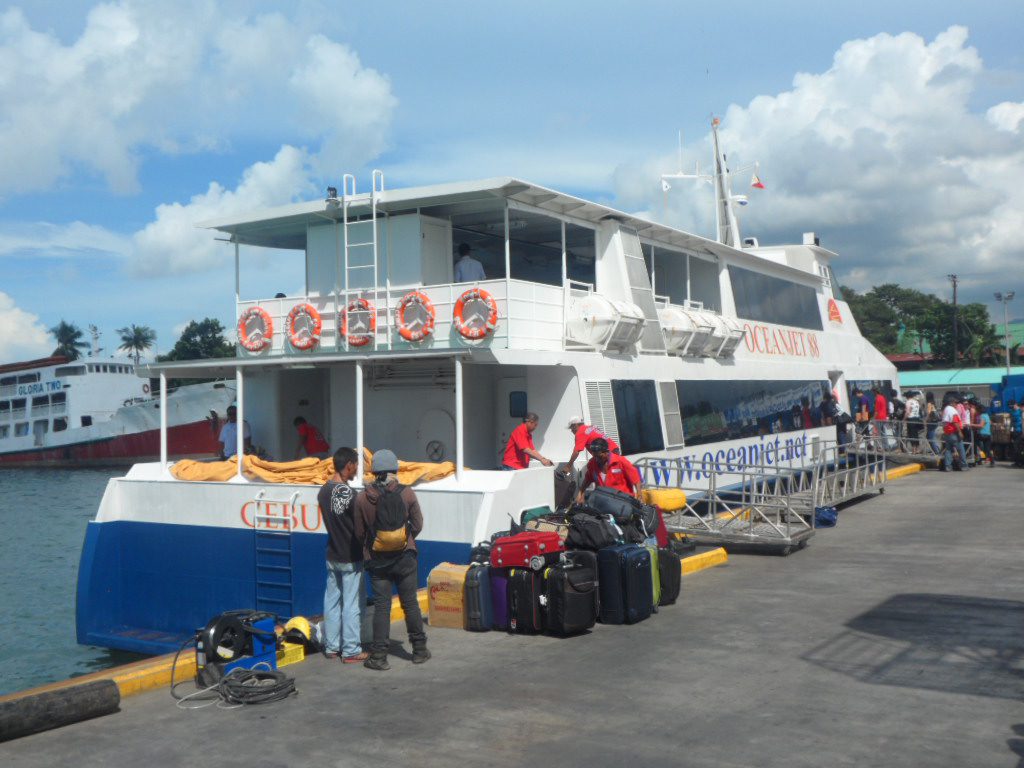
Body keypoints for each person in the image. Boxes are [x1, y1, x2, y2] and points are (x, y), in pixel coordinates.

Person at [354, 449, 428, 670]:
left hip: (377, 561)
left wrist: (373, 545)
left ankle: (379, 656)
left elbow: (359, 533)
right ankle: (419, 651)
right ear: (395, 469)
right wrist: (405, 539)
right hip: (405, 557)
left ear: (374, 470)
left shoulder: (361, 498)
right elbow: (419, 524)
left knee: (382, 607)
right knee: (410, 604)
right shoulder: (407, 494)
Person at [318, 447, 366, 663]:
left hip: (332, 554)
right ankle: (351, 650)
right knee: (352, 603)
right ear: (349, 465)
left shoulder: (323, 491)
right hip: (350, 555)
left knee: (332, 601)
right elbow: (359, 526)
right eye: (356, 464)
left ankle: (331, 646)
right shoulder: (351, 495)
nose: (357, 468)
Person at [941, 395, 969, 472]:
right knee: (961, 449)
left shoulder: (946, 409)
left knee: (948, 450)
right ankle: (964, 465)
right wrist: (960, 432)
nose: (957, 404)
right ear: (952, 403)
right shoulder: (952, 411)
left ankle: (948, 466)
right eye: (956, 403)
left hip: (947, 432)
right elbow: (955, 422)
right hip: (954, 432)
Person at [971, 403, 995, 467]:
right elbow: (990, 423)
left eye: (977, 410)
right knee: (987, 449)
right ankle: (992, 461)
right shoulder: (987, 415)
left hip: (982, 434)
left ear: (979, 410)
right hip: (988, 434)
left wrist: (971, 425)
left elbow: (981, 425)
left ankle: (977, 460)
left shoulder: (982, 416)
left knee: (975, 445)